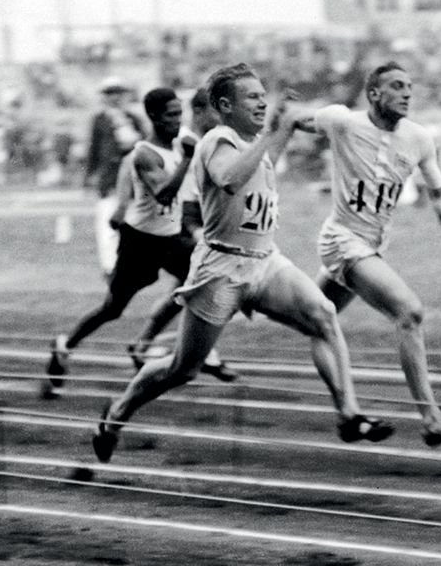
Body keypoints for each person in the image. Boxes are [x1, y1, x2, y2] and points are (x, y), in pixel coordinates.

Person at [90, 63, 380, 464]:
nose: (262, 102)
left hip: (265, 260)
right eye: (253, 98)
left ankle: (349, 414)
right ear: (226, 105)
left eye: (264, 96)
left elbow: (265, 162)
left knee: (324, 315)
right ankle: (116, 416)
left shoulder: (250, 143)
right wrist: (268, 136)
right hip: (221, 270)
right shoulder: (215, 140)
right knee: (182, 368)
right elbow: (230, 179)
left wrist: (284, 130)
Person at [298, 62, 441, 446]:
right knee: (409, 313)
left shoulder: (418, 138)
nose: (407, 93)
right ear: (374, 94)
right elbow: (297, 123)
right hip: (343, 239)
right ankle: (431, 419)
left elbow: (435, 182)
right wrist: (272, 127)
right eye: (397, 86)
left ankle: (347, 415)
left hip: (372, 245)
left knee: (317, 318)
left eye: (410, 86)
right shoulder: (344, 123)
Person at [45, 88, 204, 388]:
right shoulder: (145, 154)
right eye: (171, 114)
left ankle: (151, 345)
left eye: (179, 113)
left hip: (170, 238)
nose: (177, 119)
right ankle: (65, 344)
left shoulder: (180, 146)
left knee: (198, 282)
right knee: (113, 308)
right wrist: (186, 161)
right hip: (141, 242)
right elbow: (164, 195)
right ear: (154, 117)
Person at [122, 84, 238, 381]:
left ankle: (145, 343)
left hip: (194, 218)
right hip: (182, 221)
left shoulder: (210, 140)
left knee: (188, 288)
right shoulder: (185, 141)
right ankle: (200, 351)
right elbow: (145, 170)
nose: (222, 118)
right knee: (208, 284)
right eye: (217, 111)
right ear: (199, 111)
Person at [84, 78, 143, 275]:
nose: (114, 98)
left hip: (132, 181)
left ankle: (129, 264)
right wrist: (89, 175)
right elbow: (94, 149)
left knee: (133, 222)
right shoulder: (100, 120)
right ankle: (110, 266)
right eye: (110, 93)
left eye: (118, 93)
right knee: (108, 224)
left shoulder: (133, 119)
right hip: (109, 179)